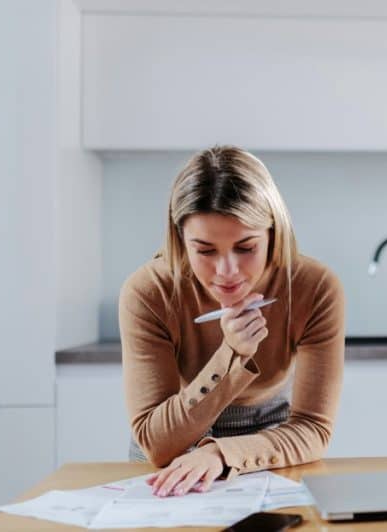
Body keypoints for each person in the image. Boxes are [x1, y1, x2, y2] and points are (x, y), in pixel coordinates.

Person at [118, 145, 345, 498]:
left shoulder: (314, 287)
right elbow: (158, 444)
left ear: (274, 234)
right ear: (180, 241)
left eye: (246, 247)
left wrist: (221, 453)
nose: (227, 272)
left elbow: (313, 428)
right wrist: (230, 354)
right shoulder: (148, 292)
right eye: (205, 251)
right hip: (174, 445)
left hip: (268, 444)